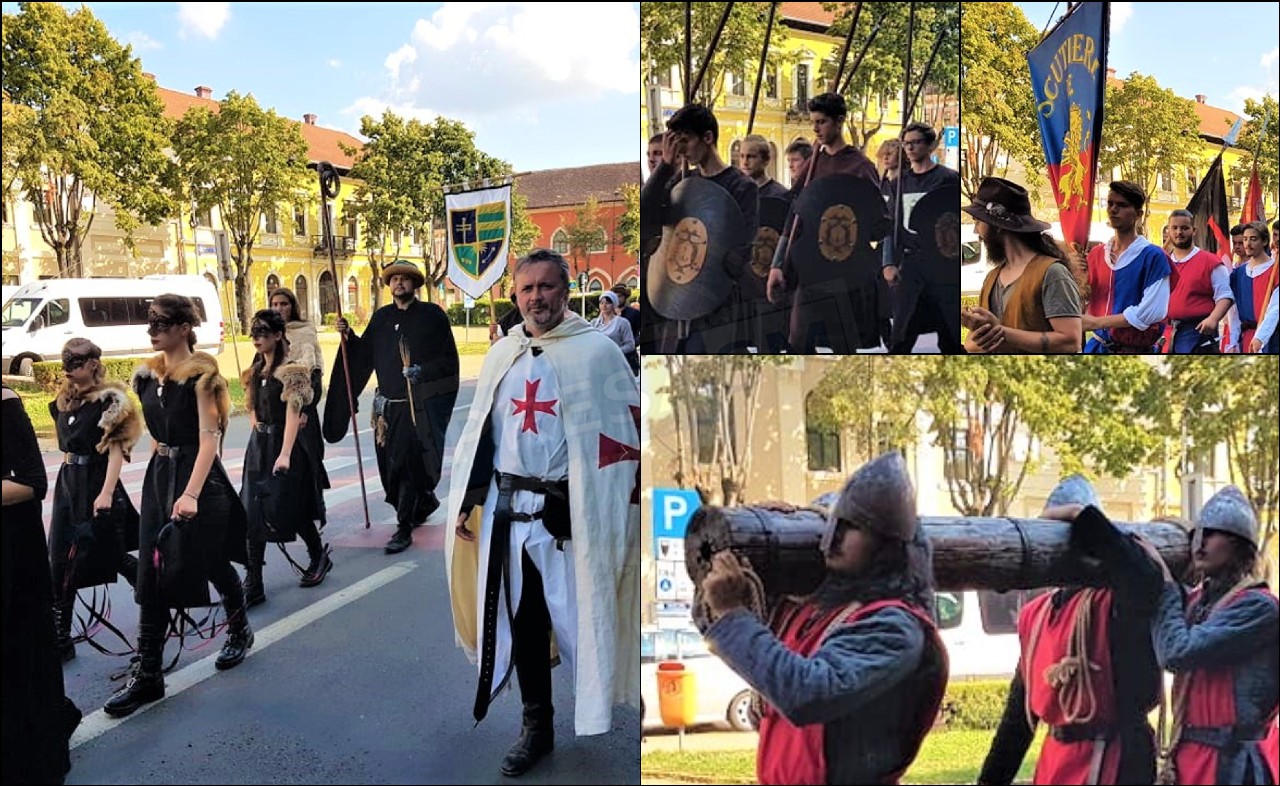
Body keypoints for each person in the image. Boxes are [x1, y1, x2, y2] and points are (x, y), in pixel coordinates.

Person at [443, 248, 639, 777]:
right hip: (509, 513)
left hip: (572, 515)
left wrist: (600, 502)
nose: (536, 298)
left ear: (566, 290)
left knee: (583, 617)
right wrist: (470, 500)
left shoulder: (596, 353)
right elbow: (484, 433)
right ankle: (537, 727)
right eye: (527, 288)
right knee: (525, 622)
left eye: (546, 286)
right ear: (515, 294)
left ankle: (612, 704)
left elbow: (624, 439)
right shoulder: (502, 354)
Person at [700, 452, 948, 785]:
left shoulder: (896, 627)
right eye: (832, 523)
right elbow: (715, 622)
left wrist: (731, 612)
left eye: (853, 526)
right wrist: (755, 542)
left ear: (888, 545)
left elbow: (807, 694)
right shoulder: (813, 608)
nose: (834, 537)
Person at [105, 294, 253, 718]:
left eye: (160, 323)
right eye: (150, 322)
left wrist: (189, 494)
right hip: (161, 476)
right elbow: (157, 436)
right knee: (152, 569)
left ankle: (239, 629)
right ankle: (149, 673)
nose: (151, 330)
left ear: (184, 328)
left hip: (198, 479)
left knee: (209, 561)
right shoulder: (147, 378)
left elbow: (209, 441)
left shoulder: (203, 379)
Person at [978, 475, 1163, 785]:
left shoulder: (1117, 605)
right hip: (1057, 765)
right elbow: (1017, 722)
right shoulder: (1036, 617)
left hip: (1117, 763)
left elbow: (1144, 579)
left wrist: (1081, 517)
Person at [1137, 486, 1278, 786]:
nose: (1200, 544)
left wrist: (1165, 588)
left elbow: (1177, 652)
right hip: (1189, 758)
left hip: (1233, 766)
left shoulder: (1259, 607)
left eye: (1212, 534)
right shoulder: (1196, 601)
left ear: (1239, 546)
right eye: (1198, 534)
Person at [326, 259, 460, 554]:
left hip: (417, 407)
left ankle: (403, 528)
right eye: (394, 279)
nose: (399, 282)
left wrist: (422, 372)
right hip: (386, 409)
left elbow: (448, 361)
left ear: (415, 284)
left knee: (406, 465)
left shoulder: (432, 316)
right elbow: (364, 355)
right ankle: (424, 502)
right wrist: (348, 337)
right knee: (389, 466)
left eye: (404, 278)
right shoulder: (381, 318)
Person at [3, 383, 82, 785]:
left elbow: (34, 482)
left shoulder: (5, 403)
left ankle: (38, 744)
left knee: (20, 654)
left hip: (14, 555)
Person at [766, 93, 885, 353]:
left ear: (839, 121)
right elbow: (794, 217)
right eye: (813, 122)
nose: (816, 129)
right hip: (809, 269)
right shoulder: (813, 164)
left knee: (842, 346)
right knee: (798, 342)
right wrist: (777, 265)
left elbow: (878, 224)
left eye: (822, 122)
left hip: (845, 274)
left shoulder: (860, 167)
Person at [48, 338, 142, 660]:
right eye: (66, 362)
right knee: (60, 558)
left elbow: (116, 449)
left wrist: (106, 492)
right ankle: (61, 637)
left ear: (92, 364)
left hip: (97, 481)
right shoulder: (65, 399)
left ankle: (151, 595)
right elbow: (65, 445)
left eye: (75, 362)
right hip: (69, 484)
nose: (68, 369)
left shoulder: (110, 400)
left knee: (108, 554)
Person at [641, 103, 758, 353]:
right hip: (677, 303)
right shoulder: (681, 181)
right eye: (677, 142)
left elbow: (740, 252)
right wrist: (665, 167)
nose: (681, 149)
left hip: (718, 309)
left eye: (685, 140)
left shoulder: (741, 187)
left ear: (707, 137)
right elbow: (647, 216)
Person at [240, 309, 333, 606]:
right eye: (253, 333)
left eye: (263, 333)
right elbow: (251, 406)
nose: (257, 338)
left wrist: (284, 454)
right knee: (253, 512)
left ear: (278, 335)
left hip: (285, 445)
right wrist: (256, 427)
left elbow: (294, 412)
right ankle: (254, 580)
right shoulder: (255, 371)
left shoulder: (292, 371)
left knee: (292, 508)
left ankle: (318, 556)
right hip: (259, 447)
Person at [961, 178, 1083, 353]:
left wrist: (1000, 333)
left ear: (998, 226)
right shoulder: (991, 278)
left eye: (978, 222)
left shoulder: (1052, 273)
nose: (976, 231)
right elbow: (971, 345)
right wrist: (977, 327)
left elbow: (1070, 342)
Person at [883, 121, 962, 353]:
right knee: (901, 337)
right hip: (911, 265)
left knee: (949, 336)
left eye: (915, 142)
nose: (909, 148)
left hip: (942, 267)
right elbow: (890, 225)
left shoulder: (948, 179)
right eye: (906, 143)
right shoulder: (899, 183)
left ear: (929, 145)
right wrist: (888, 262)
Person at [267, 287, 330, 526]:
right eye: (274, 304)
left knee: (309, 460)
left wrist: (305, 410)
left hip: (303, 410)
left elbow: (315, 375)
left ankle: (316, 508)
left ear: (292, 306)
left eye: (284, 304)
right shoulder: (269, 334)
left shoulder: (304, 332)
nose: (279, 308)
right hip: (279, 410)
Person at [1082, 182, 1171, 353]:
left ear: (1138, 214)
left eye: (1122, 205)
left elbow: (1152, 312)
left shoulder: (1153, 256)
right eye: (1110, 203)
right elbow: (1084, 299)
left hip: (1135, 351)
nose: (1113, 209)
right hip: (1096, 348)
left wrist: (1096, 323)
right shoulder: (1096, 254)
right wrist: (1076, 274)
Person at [1162, 209, 1233, 353]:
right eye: (1174, 228)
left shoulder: (1210, 262)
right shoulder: (1162, 262)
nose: (1179, 232)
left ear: (1193, 231)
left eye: (1184, 228)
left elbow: (1225, 296)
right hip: (1166, 332)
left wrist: (1213, 319)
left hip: (1198, 332)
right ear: (1168, 231)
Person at [1225, 220, 1278, 354]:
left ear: (1264, 241)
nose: (1247, 244)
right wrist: (1233, 341)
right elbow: (1234, 312)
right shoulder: (1238, 274)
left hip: (1272, 338)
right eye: (1245, 239)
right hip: (1247, 338)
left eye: (1253, 239)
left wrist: (1260, 338)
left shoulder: (1275, 271)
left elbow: (1275, 309)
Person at [591, 291, 636, 370]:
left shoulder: (622, 323)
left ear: (614, 304)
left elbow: (630, 345)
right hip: (598, 362)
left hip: (616, 363)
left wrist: (615, 351)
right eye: (601, 303)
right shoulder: (594, 323)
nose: (604, 306)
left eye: (608, 303)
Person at [739, 134, 789, 198]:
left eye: (751, 156)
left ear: (766, 160)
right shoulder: (736, 193)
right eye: (742, 156)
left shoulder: (781, 195)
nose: (745, 162)